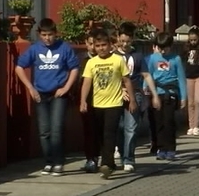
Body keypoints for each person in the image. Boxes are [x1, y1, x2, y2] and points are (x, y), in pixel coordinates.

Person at [15, 18, 80, 176]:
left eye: (50, 34)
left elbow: (74, 68)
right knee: (44, 131)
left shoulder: (64, 48)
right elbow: (19, 67)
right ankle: (48, 162)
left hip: (58, 93)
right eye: (44, 35)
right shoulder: (34, 49)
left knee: (56, 128)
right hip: (40, 94)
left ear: (55, 33)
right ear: (39, 34)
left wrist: (66, 87)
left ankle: (58, 162)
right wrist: (30, 88)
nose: (47, 38)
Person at [80, 29, 137, 180]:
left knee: (109, 134)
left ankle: (106, 163)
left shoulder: (118, 60)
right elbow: (86, 82)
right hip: (96, 104)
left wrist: (132, 100)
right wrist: (83, 101)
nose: (101, 48)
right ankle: (109, 163)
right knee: (99, 134)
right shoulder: (91, 63)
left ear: (110, 45)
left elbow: (126, 81)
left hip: (114, 103)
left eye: (104, 45)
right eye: (98, 46)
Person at [116, 22, 161, 172]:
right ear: (117, 39)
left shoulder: (138, 56)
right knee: (119, 127)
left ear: (133, 40)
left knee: (131, 127)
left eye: (128, 41)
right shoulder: (113, 56)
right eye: (122, 41)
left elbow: (146, 75)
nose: (125, 44)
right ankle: (122, 154)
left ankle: (129, 159)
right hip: (115, 94)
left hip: (135, 93)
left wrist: (154, 95)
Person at [146, 32, 187, 161]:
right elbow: (148, 75)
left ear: (171, 46)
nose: (163, 51)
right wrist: (145, 89)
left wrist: (183, 97)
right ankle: (161, 148)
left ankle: (170, 149)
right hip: (157, 92)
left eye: (165, 48)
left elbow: (181, 78)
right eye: (160, 48)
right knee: (158, 122)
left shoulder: (176, 59)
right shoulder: (153, 58)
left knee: (168, 121)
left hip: (171, 92)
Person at [182, 27, 199, 136]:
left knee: (198, 101)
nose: (193, 42)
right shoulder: (185, 49)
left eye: (195, 40)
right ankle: (191, 125)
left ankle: (197, 125)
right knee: (191, 102)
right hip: (189, 76)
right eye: (191, 40)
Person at [79, 31, 99, 173]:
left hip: (104, 99)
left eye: (95, 44)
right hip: (88, 100)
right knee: (89, 130)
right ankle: (90, 158)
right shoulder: (82, 60)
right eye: (90, 43)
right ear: (86, 43)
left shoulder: (106, 59)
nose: (93, 47)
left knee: (102, 130)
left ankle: (103, 157)